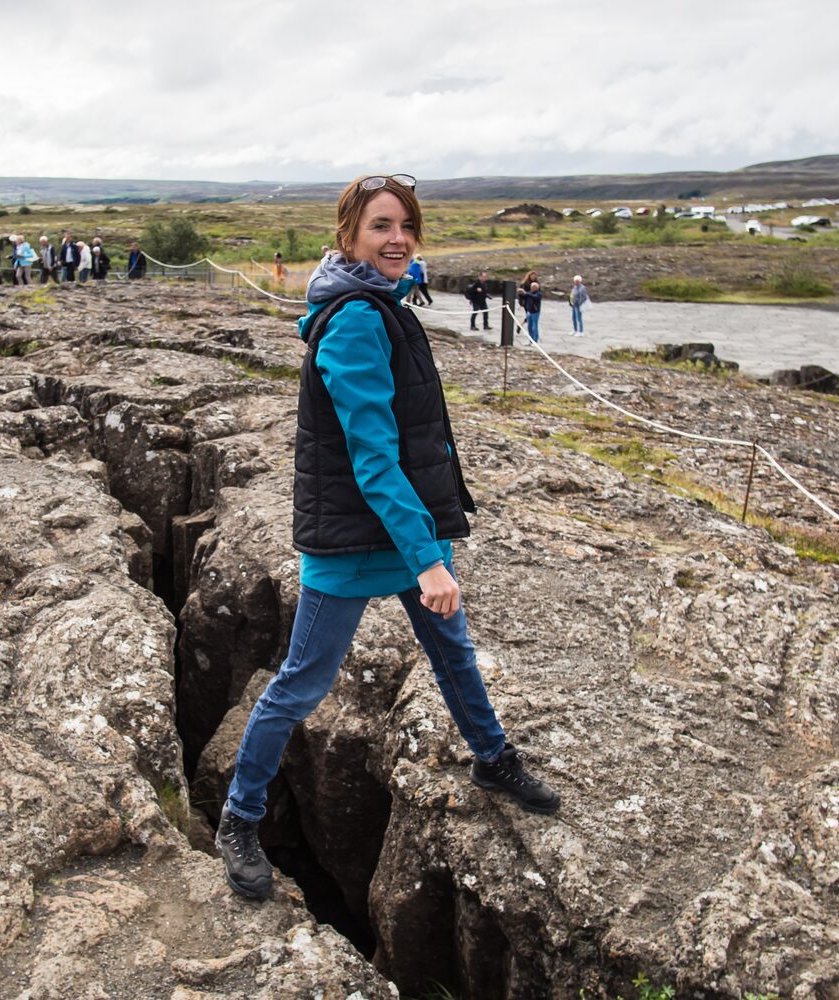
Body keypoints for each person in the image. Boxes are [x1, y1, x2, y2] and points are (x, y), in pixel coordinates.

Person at [214, 173, 560, 901]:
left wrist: (426, 544)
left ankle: (492, 757)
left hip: (404, 527)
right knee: (300, 684)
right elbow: (374, 458)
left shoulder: (381, 301)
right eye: (380, 225)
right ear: (349, 238)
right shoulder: (357, 320)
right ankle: (239, 819)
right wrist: (429, 561)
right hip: (357, 538)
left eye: (405, 224)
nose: (397, 237)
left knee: (453, 653)